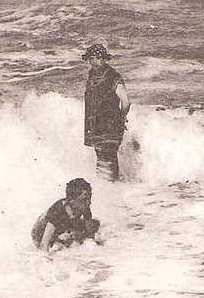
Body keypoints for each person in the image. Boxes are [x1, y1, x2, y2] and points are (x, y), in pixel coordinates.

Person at [82, 43, 130, 180]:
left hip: (109, 127)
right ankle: (109, 192)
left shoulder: (113, 76)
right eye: (91, 59)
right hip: (97, 128)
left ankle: (112, 191)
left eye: (96, 58)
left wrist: (121, 117)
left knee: (107, 161)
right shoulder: (92, 74)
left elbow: (126, 101)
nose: (93, 62)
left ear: (103, 58)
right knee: (103, 161)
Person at [31, 178, 102, 252]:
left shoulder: (84, 206)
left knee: (95, 224)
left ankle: (65, 234)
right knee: (60, 245)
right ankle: (58, 239)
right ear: (71, 200)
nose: (89, 202)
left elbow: (89, 229)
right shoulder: (58, 210)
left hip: (66, 222)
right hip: (41, 231)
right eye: (84, 199)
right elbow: (43, 246)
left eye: (89, 198)